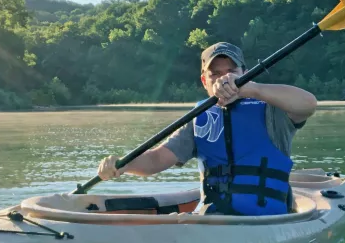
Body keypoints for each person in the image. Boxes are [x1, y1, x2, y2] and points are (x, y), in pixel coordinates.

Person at [97, 42, 317, 216]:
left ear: (245, 73)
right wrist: (123, 165)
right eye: (215, 74)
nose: (224, 79)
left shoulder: (272, 110)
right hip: (213, 220)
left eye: (232, 71)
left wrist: (251, 89)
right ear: (204, 81)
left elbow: (308, 104)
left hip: (268, 221)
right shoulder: (198, 118)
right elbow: (157, 159)